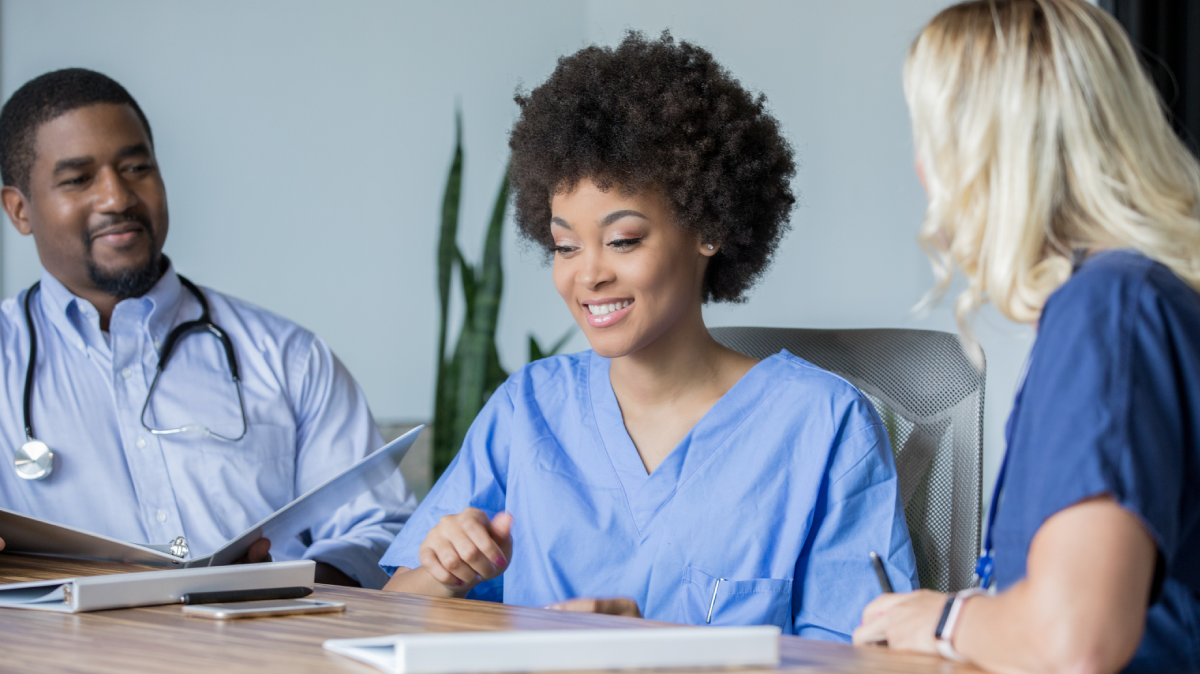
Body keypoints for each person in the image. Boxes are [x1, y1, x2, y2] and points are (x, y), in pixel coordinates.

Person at [380, 31, 917, 640]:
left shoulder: (822, 424)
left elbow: (866, 657)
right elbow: (396, 613)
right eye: (565, 246)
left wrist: (671, 652)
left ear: (707, 228)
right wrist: (445, 569)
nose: (588, 274)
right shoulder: (529, 407)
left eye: (624, 239)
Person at [853, 1, 1200, 671]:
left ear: (978, 152)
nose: (924, 172)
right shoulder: (1143, 298)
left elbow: (1076, 638)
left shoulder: (1111, 306)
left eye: (928, 137)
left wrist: (948, 617)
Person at [0, 68, 415, 588]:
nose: (117, 196)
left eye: (135, 167)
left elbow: (383, 529)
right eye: (79, 179)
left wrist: (287, 579)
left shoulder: (289, 357)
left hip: (263, 654)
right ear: (19, 209)